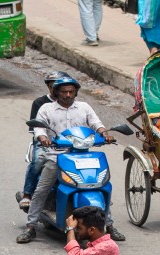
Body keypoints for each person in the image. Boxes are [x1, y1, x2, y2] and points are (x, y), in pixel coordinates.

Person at [19, 77, 123, 244]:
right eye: (64, 92)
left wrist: (104, 134)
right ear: (56, 92)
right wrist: (43, 138)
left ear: (76, 92)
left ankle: (109, 225)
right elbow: (39, 128)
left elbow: (96, 123)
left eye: (71, 92)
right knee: (41, 190)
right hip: (56, 155)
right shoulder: (47, 109)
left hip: (83, 156)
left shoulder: (84, 107)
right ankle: (31, 226)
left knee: (101, 186)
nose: (68, 95)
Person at [18, 71, 71, 210]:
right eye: (54, 86)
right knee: (39, 160)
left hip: (70, 142)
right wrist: (44, 139)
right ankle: (27, 194)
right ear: (49, 87)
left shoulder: (75, 105)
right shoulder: (41, 103)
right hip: (46, 142)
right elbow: (37, 129)